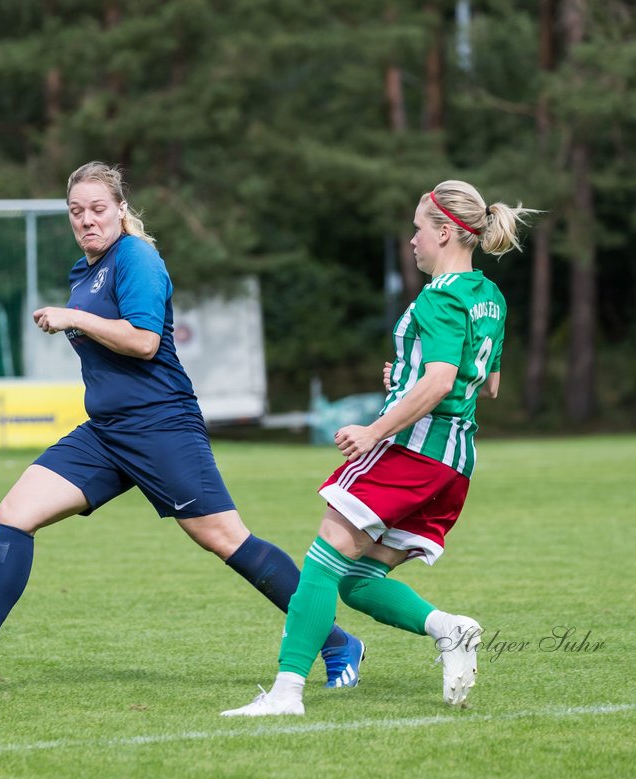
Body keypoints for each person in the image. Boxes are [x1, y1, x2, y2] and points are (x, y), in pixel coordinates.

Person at [0, 161, 365, 687]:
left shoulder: (137, 258)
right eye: (76, 212)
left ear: (121, 209)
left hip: (160, 424)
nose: (87, 220)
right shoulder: (85, 271)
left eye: (98, 209)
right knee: (16, 511)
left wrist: (74, 318)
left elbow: (144, 342)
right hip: (106, 432)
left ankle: (338, 643)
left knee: (225, 538)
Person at [222, 179, 536, 717]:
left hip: (412, 451)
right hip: (455, 460)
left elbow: (438, 382)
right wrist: (408, 374)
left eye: (417, 229)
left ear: (443, 231)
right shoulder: (490, 296)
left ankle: (287, 693)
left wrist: (373, 431)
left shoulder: (440, 296)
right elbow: (487, 383)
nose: (411, 240)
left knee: (322, 562)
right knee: (360, 579)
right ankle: (449, 630)